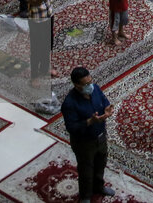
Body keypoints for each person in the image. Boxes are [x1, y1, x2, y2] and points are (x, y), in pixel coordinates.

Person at [61, 66, 115, 203]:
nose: (89, 85)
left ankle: (99, 187)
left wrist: (107, 109)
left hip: (101, 136)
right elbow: (71, 127)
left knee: (100, 164)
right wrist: (90, 121)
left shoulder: (95, 89)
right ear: (76, 85)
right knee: (86, 170)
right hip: (84, 143)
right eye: (85, 84)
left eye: (90, 81)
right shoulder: (70, 103)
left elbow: (104, 101)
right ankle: (85, 196)